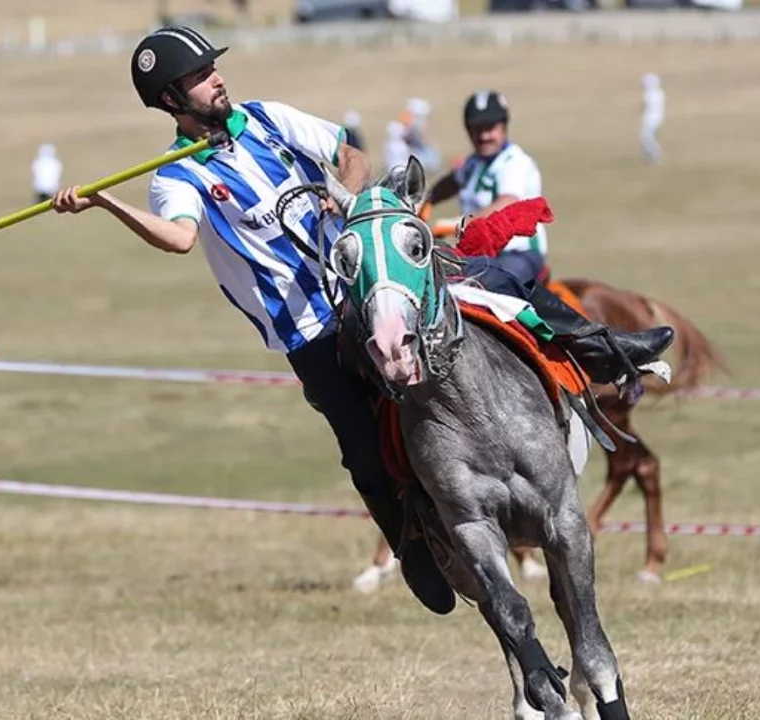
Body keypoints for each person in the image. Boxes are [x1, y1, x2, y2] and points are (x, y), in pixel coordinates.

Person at [48, 27, 673, 616]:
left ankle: (604, 346)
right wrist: (104, 201)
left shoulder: (267, 119)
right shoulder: (176, 176)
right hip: (308, 328)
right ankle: (412, 547)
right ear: (170, 98)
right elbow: (178, 238)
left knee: (495, 283)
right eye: (201, 75)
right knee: (362, 450)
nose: (217, 79)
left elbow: (350, 156)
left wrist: (344, 196)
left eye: (214, 68)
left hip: (366, 283)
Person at [425, 89, 674, 399]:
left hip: (518, 254)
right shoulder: (473, 164)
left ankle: (608, 351)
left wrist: (457, 223)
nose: (485, 133)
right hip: (476, 256)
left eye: (491, 126)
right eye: (477, 127)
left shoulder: (514, 162)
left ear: (504, 126)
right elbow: (452, 181)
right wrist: (427, 200)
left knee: (494, 282)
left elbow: (507, 201)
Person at [640, 73, 665, 163]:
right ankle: (650, 156)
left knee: (647, 137)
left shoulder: (650, 94)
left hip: (651, 119)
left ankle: (655, 156)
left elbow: (644, 106)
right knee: (649, 137)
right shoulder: (659, 93)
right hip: (658, 118)